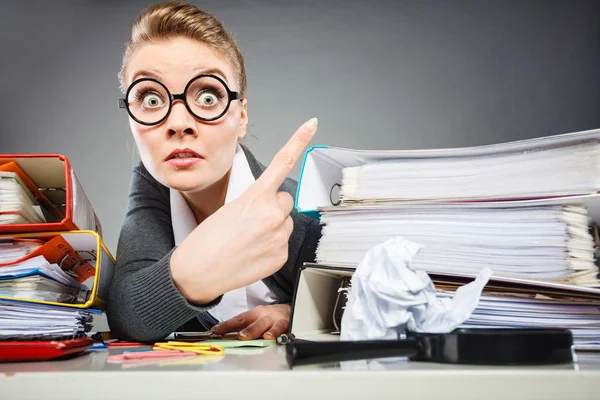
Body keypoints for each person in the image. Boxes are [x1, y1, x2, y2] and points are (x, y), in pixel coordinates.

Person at [106, 1, 321, 342]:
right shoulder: (152, 185)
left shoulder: (301, 215)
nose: (178, 123)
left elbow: (376, 301)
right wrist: (203, 269)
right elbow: (126, 313)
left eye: (207, 97)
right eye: (150, 98)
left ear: (242, 116)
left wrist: (302, 314)